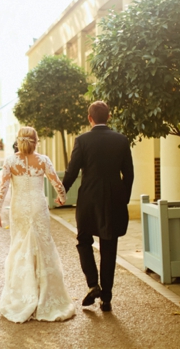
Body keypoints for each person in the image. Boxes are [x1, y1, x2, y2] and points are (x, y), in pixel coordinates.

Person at [0, 126, 75, 323]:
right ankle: (45, 296)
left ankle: (22, 297)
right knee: (43, 247)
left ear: (18, 141)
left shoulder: (11, 161)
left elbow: (3, 189)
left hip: (19, 209)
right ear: (36, 141)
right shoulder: (43, 160)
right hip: (38, 208)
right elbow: (57, 184)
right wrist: (61, 197)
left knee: (20, 247)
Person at [62, 101, 134, 313]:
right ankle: (107, 298)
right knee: (109, 247)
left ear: (89, 118)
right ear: (108, 117)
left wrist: (62, 192)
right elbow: (129, 174)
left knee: (84, 240)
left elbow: (72, 171)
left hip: (88, 200)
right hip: (113, 200)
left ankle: (93, 284)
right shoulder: (121, 140)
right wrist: (124, 198)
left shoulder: (82, 141)